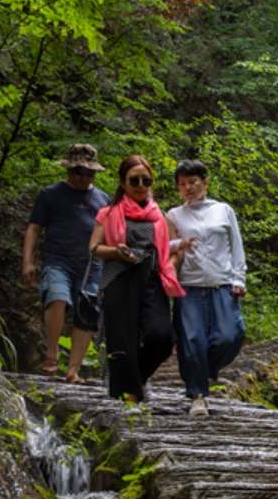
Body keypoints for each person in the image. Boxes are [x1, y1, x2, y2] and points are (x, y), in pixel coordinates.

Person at [87, 156, 187, 403]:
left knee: (162, 334)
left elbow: (172, 249)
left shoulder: (159, 216)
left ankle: (138, 378)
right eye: (134, 180)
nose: (141, 185)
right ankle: (130, 395)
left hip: (153, 278)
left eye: (146, 180)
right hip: (119, 278)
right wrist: (115, 252)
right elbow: (93, 248)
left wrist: (171, 267)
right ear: (122, 182)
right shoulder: (108, 213)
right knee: (123, 339)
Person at [166, 160, 247, 417]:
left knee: (231, 337)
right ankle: (197, 396)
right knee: (192, 341)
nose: (187, 188)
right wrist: (181, 243)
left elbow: (236, 246)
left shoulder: (224, 210)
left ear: (205, 181)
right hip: (188, 286)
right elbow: (166, 246)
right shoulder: (174, 215)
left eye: (192, 182)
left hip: (222, 284)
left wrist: (239, 279)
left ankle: (203, 371)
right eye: (182, 184)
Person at [22, 144, 107, 382]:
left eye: (89, 173)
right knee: (57, 298)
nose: (83, 177)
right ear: (69, 169)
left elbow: (111, 234)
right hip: (58, 260)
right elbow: (34, 228)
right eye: (78, 171)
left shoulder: (102, 199)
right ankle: (51, 355)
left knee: (86, 315)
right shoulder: (50, 194)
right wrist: (27, 261)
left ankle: (73, 371)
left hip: (91, 266)